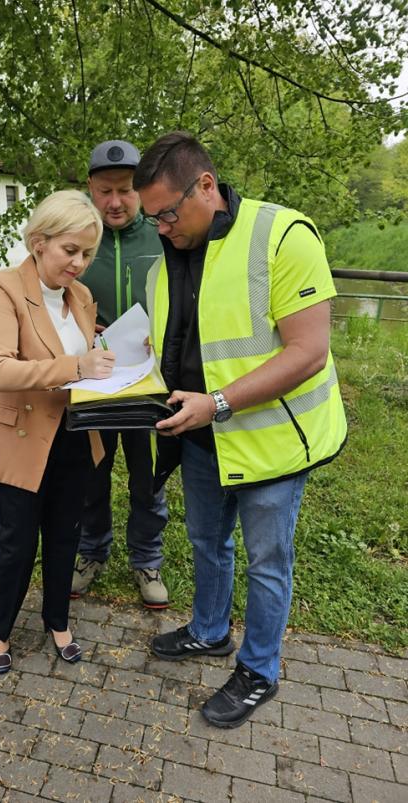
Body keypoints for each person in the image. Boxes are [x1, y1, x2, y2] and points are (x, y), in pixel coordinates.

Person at [134, 132, 347, 727]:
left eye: (168, 213)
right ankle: (209, 632)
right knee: (206, 542)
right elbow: (172, 344)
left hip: (273, 443)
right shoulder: (167, 257)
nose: (161, 227)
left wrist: (217, 402)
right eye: (153, 217)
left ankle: (259, 671)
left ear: (207, 186)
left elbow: (307, 352)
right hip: (202, 439)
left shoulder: (283, 235)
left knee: (267, 562)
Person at [0, 190, 115, 674]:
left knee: (66, 535)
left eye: (87, 253)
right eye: (71, 250)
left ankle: (58, 622)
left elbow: (87, 360)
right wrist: (77, 365)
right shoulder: (3, 289)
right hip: (20, 438)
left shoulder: (82, 298)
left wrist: (115, 356)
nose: (79, 263)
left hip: (73, 435)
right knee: (17, 542)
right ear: (38, 241)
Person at [70, 139, 169, 609]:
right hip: (94, 381)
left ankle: (147, 559)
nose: (115, 202)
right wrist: (82, 329)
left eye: (126, 190)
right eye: (105, 191)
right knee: (92, 472)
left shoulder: (163, 235)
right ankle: (91, 552)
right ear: (91, 188)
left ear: (141, 190)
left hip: (153, 383)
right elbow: (52, 300)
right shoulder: (78, 238)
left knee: (148, 477)